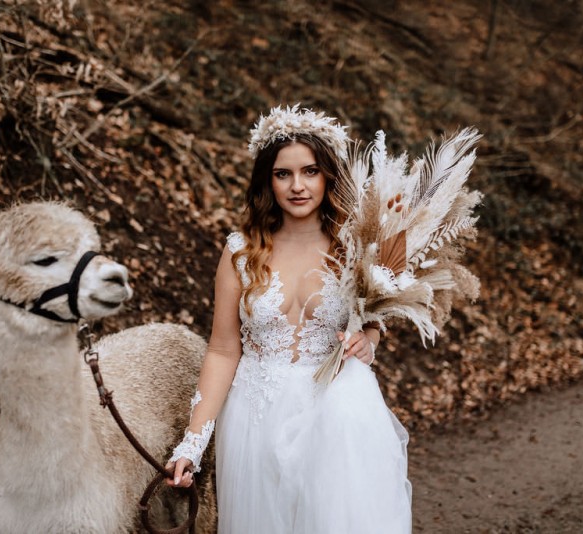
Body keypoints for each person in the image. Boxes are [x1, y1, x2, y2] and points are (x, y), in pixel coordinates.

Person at [166, 105, 412, 533]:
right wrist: (193, 442)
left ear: (328, 175)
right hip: (254, 417)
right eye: (283, 174)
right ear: (268, 179)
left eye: (310, 171)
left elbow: (379, 310)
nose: (298, 186)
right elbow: (223, 350)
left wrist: (367, 341)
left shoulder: (359, 245)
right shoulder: (240, 251)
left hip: (338, 414)